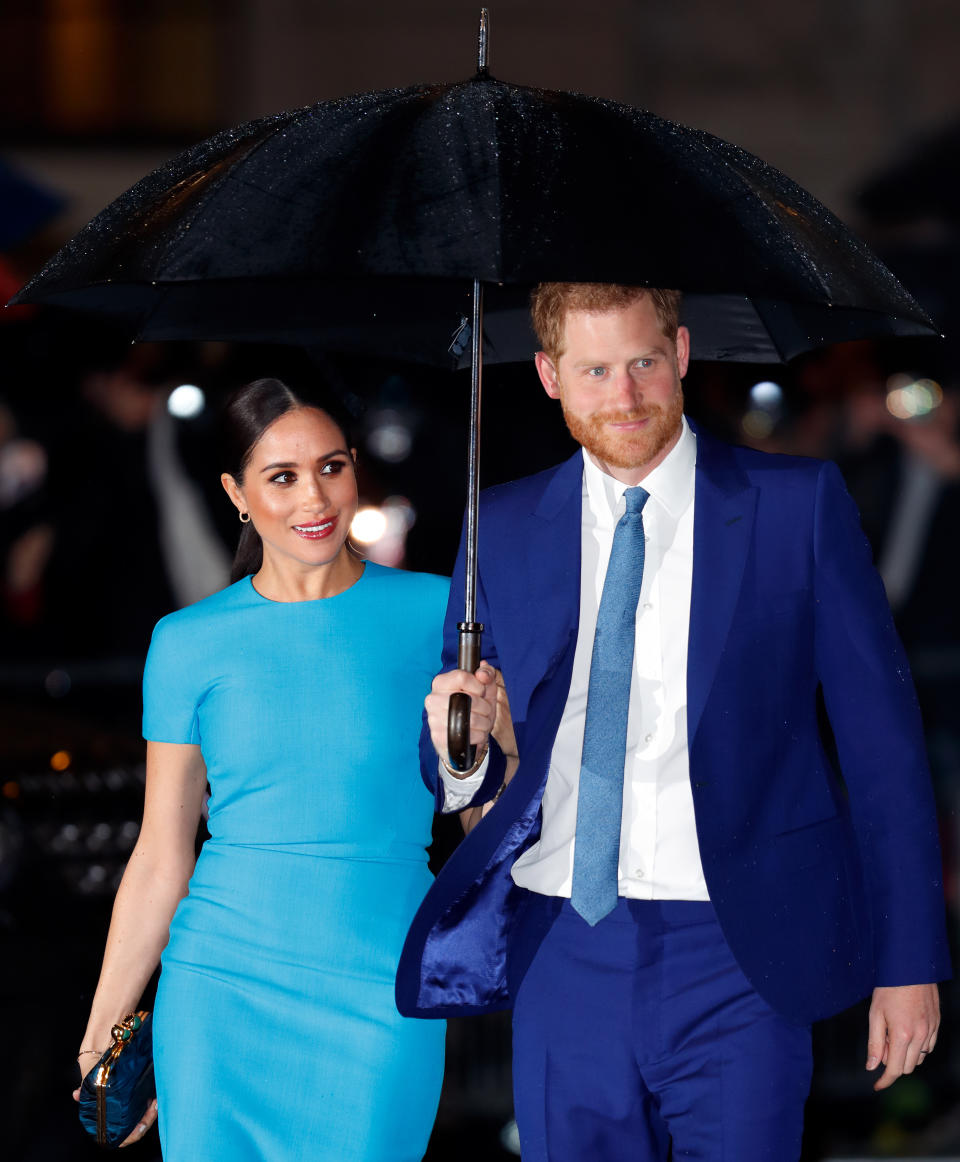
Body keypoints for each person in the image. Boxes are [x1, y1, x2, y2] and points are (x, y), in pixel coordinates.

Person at [397, 284, 951, 1161]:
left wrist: (909, 960)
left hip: (743, 951)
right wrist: (461, 746)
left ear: (683, 353)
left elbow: (883, 748)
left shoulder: (794, 504)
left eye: (644, 363)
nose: (625, 396)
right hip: (562, 946)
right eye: (595, 370)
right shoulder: (498, 524)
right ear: (549, 376)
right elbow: (466, 775)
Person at [75, 377, 447, 1160]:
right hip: (220, 986)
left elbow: (489, 817)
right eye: (281, 477)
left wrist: (483, 744)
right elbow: (162, 850)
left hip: (381, 982)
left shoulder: (443, 614)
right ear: (236, 494)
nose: (314, 497)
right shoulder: (187, 641)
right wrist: (102, 1033)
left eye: (332, 467)